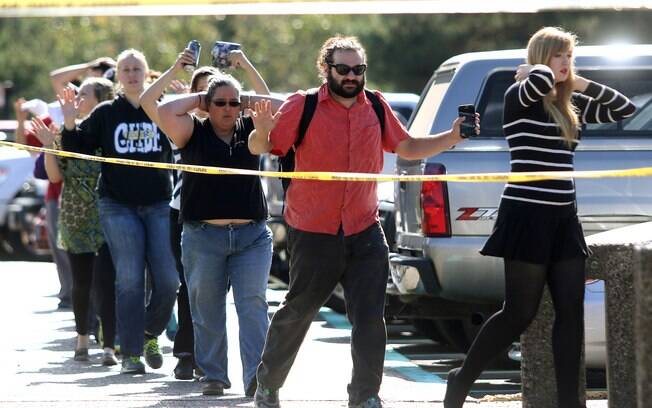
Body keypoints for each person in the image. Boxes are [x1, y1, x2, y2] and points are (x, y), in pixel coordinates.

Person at [248, 35, 476, 408]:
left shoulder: (376, 105)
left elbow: (407, 148)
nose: (352, 76)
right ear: (326, 69)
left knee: (371, 319)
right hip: (314, 231)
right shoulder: (301, 106)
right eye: (344, 69)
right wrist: (260, 130)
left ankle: (366, 395)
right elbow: (262, 147)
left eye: (358, 69)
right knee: (298, 312)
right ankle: (268, 384)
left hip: (364, 230)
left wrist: (452, 136)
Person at [443, 27, 636, 408]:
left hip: (564, 219)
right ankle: (461, 379)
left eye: (569, 56)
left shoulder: (568, 107)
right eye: (558, 55)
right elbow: (539, 83)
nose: (565, 63)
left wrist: (578, 83)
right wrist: (537, 72)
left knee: (571, 313)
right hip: (527, 215)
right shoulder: (519, 96)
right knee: (519, 313)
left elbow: (624, 108)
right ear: (539, 59)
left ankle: (570, 402)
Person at [140, 45, 273, 381]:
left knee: (253, 306)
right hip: (203, 236)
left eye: (234, 103)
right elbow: (159, 107)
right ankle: (213, 375)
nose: (229, 109)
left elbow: (275, 107)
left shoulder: (250, 132)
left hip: (251, 237)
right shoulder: (191, 133)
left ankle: (257, 380)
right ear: (206, 106)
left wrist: (243, 91)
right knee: (206, 310)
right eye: (220, 103)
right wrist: (202, 97)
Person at [60, 49, 180, 375]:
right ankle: (131, 353)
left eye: (136, 68)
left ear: (147, 73)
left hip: (157, 203)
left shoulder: (160, 107)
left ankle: (147, 333)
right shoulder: (106, 112)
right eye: (125, 69)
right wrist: (70, 122)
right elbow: (77, 149)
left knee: (168, 280)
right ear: (118, 76)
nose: (130, 73)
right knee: (129, 278)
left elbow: (185, 138)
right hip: (116, 205)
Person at [31, 77, 119, 366]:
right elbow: (54, 177)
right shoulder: (67, 133)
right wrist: (49, 147)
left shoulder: (109, 131)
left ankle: (109, 345)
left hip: (108, 213)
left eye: (84, 95)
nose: (77, 100)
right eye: (76, 95)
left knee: (107, 281)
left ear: (102, 100)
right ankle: (82, 339)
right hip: (75, 215)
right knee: (81, 282)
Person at [13, 98, 72, 309]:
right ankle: (68, 294)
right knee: (59, 248)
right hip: (55, 197)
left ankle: (82, 297)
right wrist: (21, 119)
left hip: (82, 199)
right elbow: (22, 143)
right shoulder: (51, 121)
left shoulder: (89, 121)